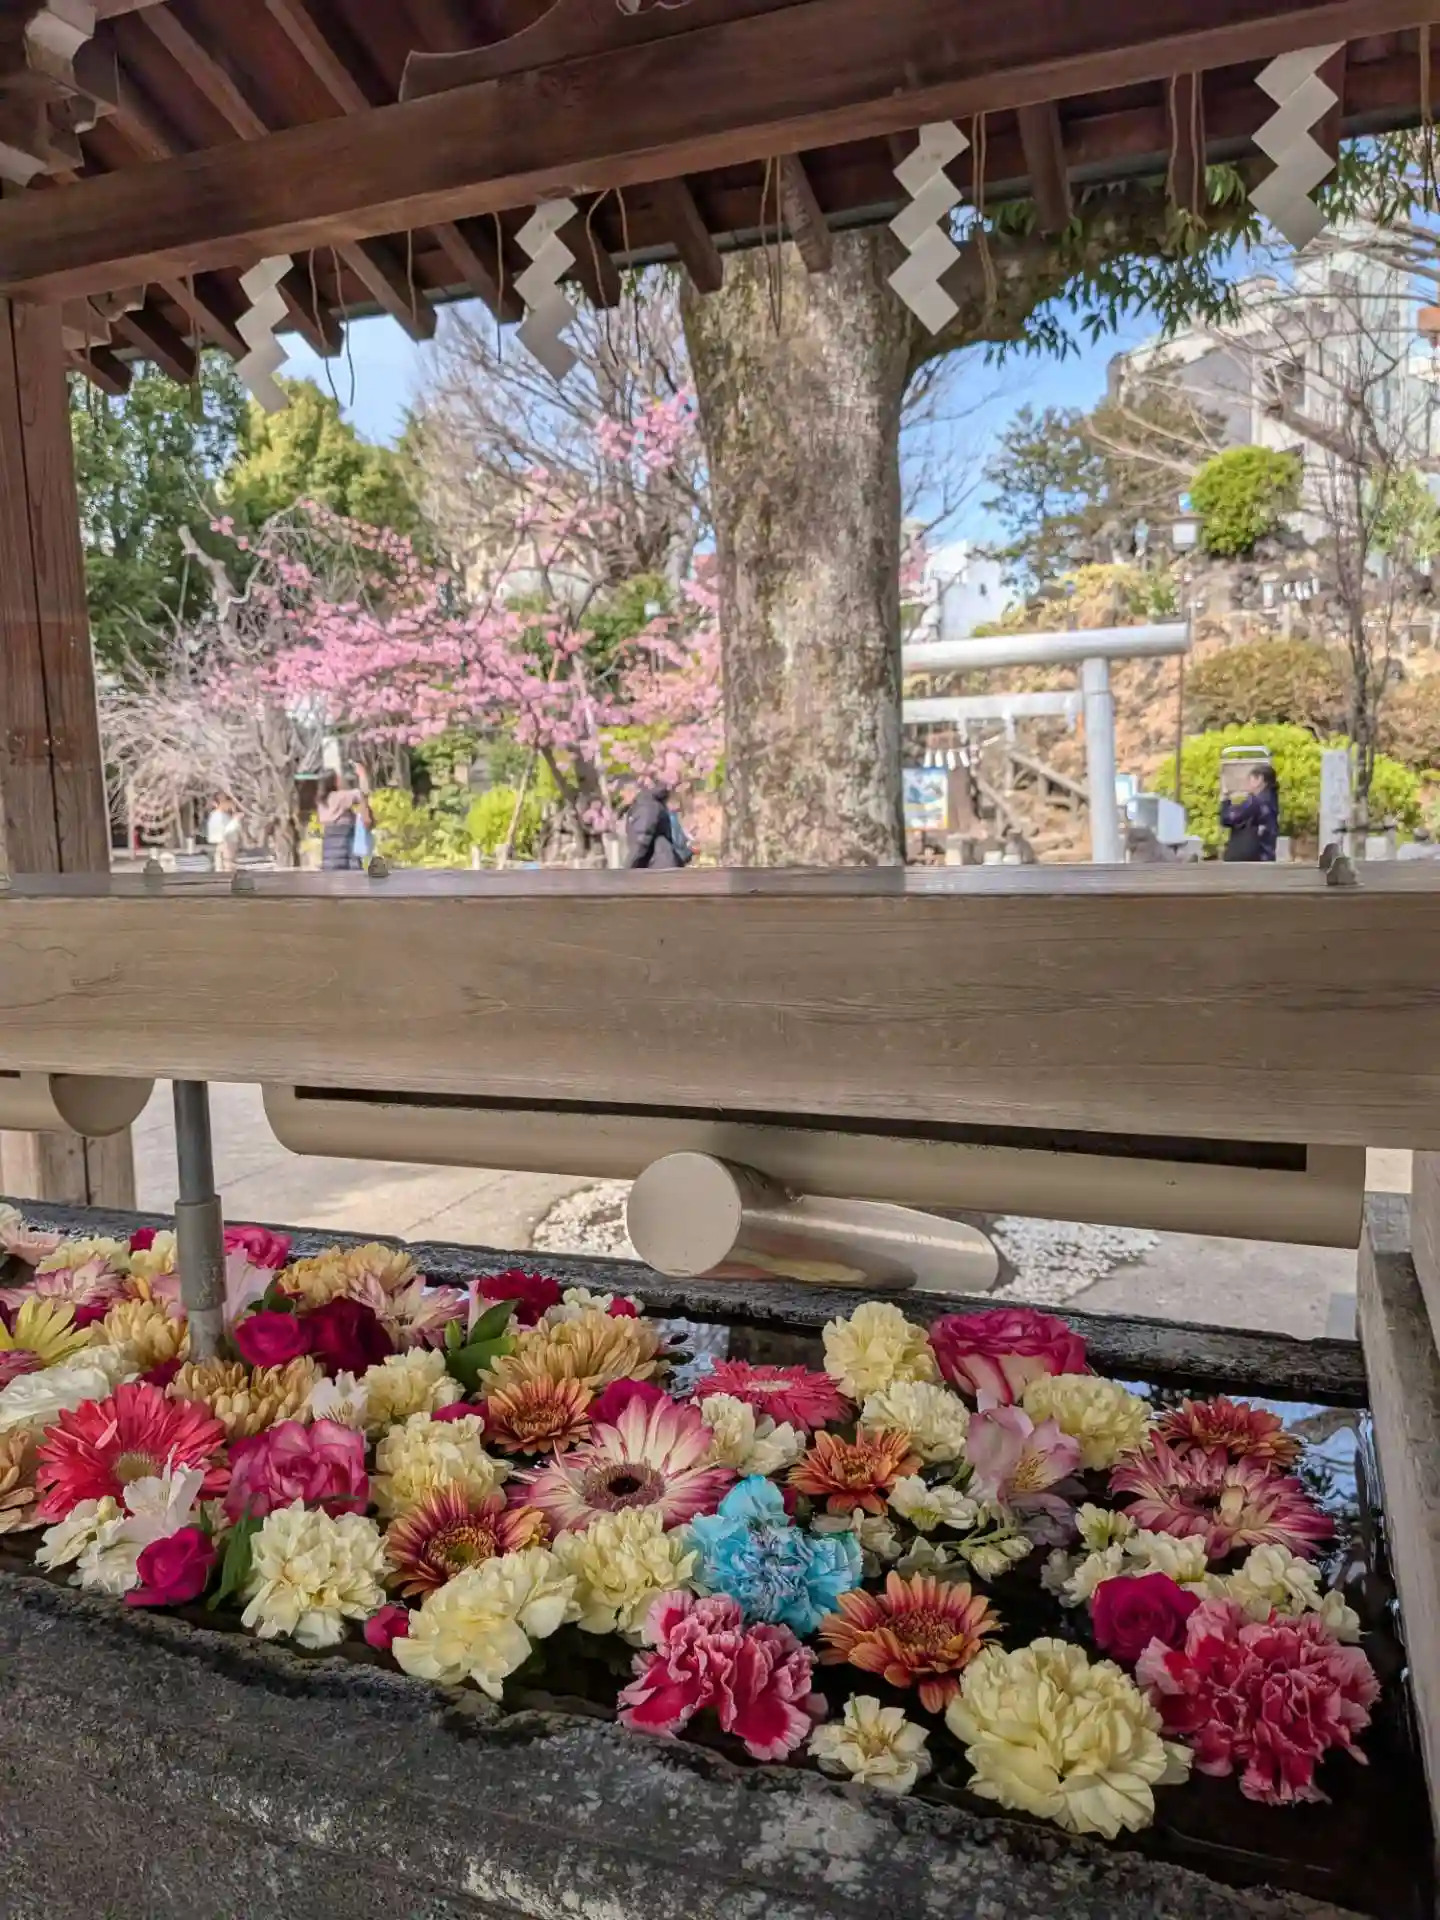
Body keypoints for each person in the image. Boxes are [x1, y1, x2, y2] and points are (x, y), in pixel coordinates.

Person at [317, 765, 373, 871]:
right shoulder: (341, 797)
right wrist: (362, 776)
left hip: (329, 851)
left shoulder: (321, 801)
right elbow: (362, 794)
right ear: (334, 781)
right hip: (345, 848)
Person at [1220, 764, 1279, 864]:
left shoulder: (1255, 802)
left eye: (1250, 779)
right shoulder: (1272, 800)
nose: (1248, 784)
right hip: (1266, 856)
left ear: (1259, 779)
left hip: (1252, 860)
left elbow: (1228, 818)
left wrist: (1225, 800)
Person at [625, 782, 689, 869]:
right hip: (660, 861)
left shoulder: (646, 805)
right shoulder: (649, 804)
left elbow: (642, 839)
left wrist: (628, 867)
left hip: (658, 864)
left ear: (630, 791)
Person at [205, 793, 241, 873]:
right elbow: (224, 832)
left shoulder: (223, 815)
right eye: (225, 801)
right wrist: (236, 820)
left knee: (228, 868)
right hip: (225, 845)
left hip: (228, 845)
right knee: (228, 869)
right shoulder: (218, 815)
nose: (230, 804)